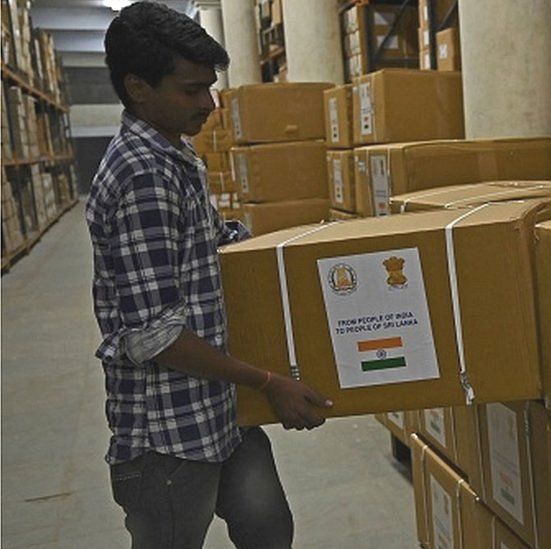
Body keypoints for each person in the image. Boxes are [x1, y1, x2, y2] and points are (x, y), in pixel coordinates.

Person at [85, 3, 332, 547]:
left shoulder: (176, 156)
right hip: (169, 432)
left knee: (269, 530)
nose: (210, 105)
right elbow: (157, 335)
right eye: (192, 90)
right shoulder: (141, 176)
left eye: (210, 87)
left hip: (224, 409)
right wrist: (269, 383)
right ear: (138, 87)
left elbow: (205, 246)